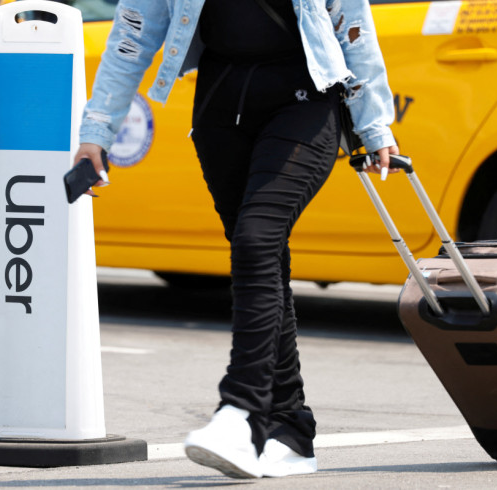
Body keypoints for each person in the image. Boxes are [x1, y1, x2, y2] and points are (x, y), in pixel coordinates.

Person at [75, 0, 399, 479]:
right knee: (263, 257)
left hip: (304, 102)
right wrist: (97, 131)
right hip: (221, 106)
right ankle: (291, 430)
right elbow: (133, 35)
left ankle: (240, 415)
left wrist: (373, 124)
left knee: (256, 239)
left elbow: (351, 21)